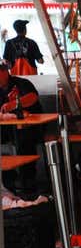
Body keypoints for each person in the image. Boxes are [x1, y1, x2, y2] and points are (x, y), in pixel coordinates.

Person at [0, 59, 43, 191]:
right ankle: (8, 180)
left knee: (23, 138)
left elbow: (33, 97)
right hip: (7, 128)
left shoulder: (21, 83)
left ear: (5, 72)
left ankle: (27, 180)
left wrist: (13, 104)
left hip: (33, 126)